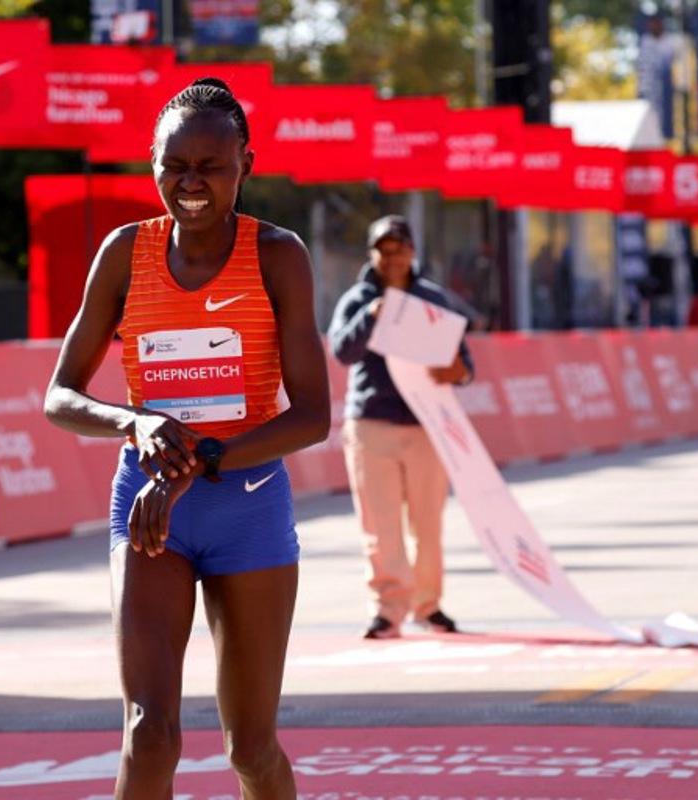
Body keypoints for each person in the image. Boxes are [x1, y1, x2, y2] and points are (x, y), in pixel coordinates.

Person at [43, 78, 330, 798]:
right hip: (149, 512)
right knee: (149, 735)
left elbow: (313, 416)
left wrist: (203, 458)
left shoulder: (276, 255)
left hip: (248, 507)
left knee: (252, 748)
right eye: (174, 166)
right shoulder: (124, 252)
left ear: (246, 167)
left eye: (211, 166)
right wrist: (134, 421)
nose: (191, 183)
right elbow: (60, 395)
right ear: (152, 165)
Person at [327, 214, 474, 640]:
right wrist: (372, 315)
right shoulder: (358, 299)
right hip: (372, 423)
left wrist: (456, 372)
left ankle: (427, 605)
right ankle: (389, 609)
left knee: (428, 524)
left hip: (426, 425)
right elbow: (341, 351)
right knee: (380, 525)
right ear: (372, 255)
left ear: (413, 251)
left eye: (399, 248)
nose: (392, 258)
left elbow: (465, 364)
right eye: (383, 250)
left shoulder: (432, 299)